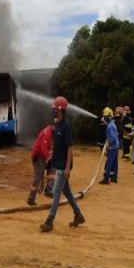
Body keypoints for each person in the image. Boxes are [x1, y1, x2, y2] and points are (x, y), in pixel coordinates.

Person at [40, 96, 85, 233]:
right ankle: (78, 215)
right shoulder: (57, 125)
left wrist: (67, 168)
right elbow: (58, 146)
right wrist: (51, 156)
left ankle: (49, 221)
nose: (53, 110)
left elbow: (69, 147)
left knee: (56, 192)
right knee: (67, 192)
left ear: (60, 110)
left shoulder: (66, 126)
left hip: (63, 167)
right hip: (58, 163)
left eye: (55, 108)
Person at [27, 123, 54, 206]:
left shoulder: (52, 132)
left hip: (42, 156)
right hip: (38, 157)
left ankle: (48, 190)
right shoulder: (47, 133)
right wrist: (47, 158)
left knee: (53, 167)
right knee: (38, 177)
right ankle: (31, 199)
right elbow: (43, 148)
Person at [99, 107, 120, 185]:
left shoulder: (110, 126)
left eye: (106, 116)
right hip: (116, 146)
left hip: (112, 146)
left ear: (110, 116)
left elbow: (113, 137)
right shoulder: (112, 124)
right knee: (115, 162)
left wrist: (108, 144)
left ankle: (106, 179)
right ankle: (114, 178)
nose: (105, 117)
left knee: (109, 162)